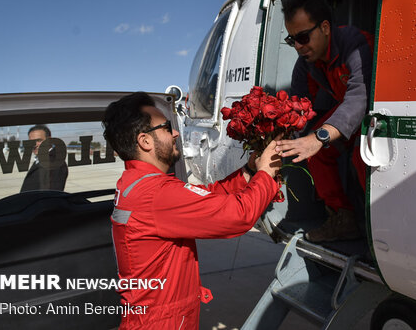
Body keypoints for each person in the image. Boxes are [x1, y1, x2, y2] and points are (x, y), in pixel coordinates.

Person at [102, 92, 281, 329]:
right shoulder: (155, 194)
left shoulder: (138, 184)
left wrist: (249, 172)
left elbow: (206, 197)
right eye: (166, 128)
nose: (175, 132)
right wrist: (266, 174)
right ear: (145, 141)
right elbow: (238, 216)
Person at [275, 0, 373, 243]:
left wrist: (318, 137)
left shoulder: (356, 45)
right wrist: (281, 138)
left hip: (374, 111)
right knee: (315, 148)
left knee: (361, 156)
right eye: (292, 40)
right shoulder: (307, 63)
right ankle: (343, 218)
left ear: (325, 28)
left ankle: (378, 227)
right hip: (348, 113)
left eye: (302, 37)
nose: (297, 46)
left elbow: (359, 98)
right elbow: (298, 108)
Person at [20, 124, 68, 192]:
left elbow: (50, 196)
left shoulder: (55, 163)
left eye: (39, 140)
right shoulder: (42, 158)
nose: (34, 145)